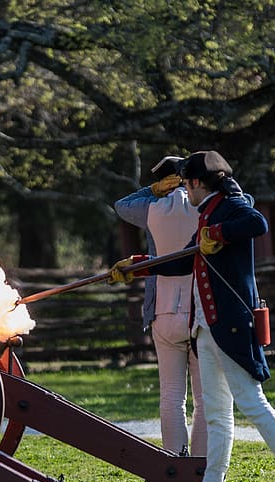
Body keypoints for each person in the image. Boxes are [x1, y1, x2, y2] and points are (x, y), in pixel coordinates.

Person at [109, 150, 275, 482]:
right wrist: (140, 267)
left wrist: (218, 233)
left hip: (230, 324)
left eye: (186, 185)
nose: (183, 193)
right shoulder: (208, 212)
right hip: (205, 326)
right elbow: (186, 257)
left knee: (252, 403)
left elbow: (257, 224)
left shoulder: (230, 205)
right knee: (217, 413)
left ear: (194, 182)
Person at [111, 156, 206, 457]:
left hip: (162, 310)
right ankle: (201, 464)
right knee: (204, 400)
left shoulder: (152, 207)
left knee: (171, 397)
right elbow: (245, 200)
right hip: (199, 310)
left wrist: (152, 191)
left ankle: (176, 462)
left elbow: (122, 205)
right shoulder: (205, 205)